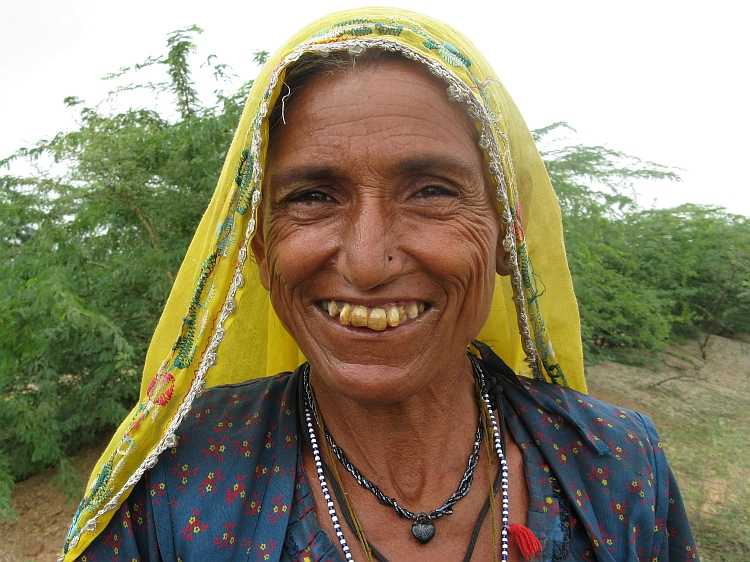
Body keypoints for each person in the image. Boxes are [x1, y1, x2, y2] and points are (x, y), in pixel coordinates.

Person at [60, 8, 697, 562]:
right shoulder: (175, 478)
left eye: (431, 192)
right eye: (313, 196)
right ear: (258, 246)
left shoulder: (616, 463)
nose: (367, 262)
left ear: (508, 234)